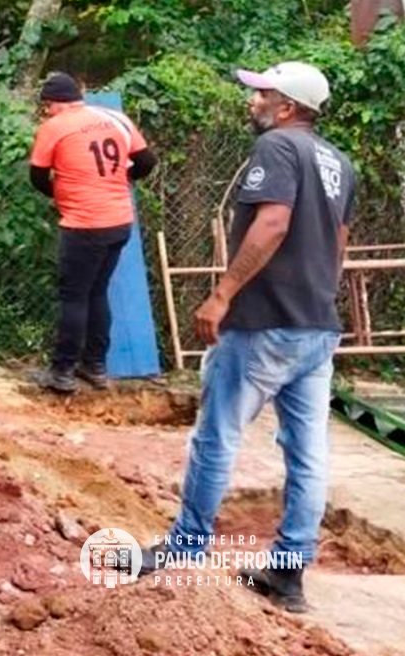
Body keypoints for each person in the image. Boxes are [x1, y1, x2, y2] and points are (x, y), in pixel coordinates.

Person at [141, 62, 354, 613]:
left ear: (287, 107)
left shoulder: (279, 149)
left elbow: (274, 223)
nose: (252, 100)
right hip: (316, 327)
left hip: (264, 324)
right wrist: (317, 297)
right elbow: (339, 243)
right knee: (307, 453)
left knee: (217, 436)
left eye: (261, 93)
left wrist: (223, 294)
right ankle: (288, 573)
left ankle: (185, 548)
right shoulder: (339, 163)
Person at [28, 72, 156, 393]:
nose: (46, 113)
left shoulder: (54, 127)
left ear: (52, 104)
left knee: (74, 297)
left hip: (84, 223)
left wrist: (61, 194)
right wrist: (118, 181)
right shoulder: (115, 118)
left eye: (46, 107)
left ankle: (62, 371)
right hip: (119, 221)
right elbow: (146, 161)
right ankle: (95, 366)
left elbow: (38, 176)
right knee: (97, 292)